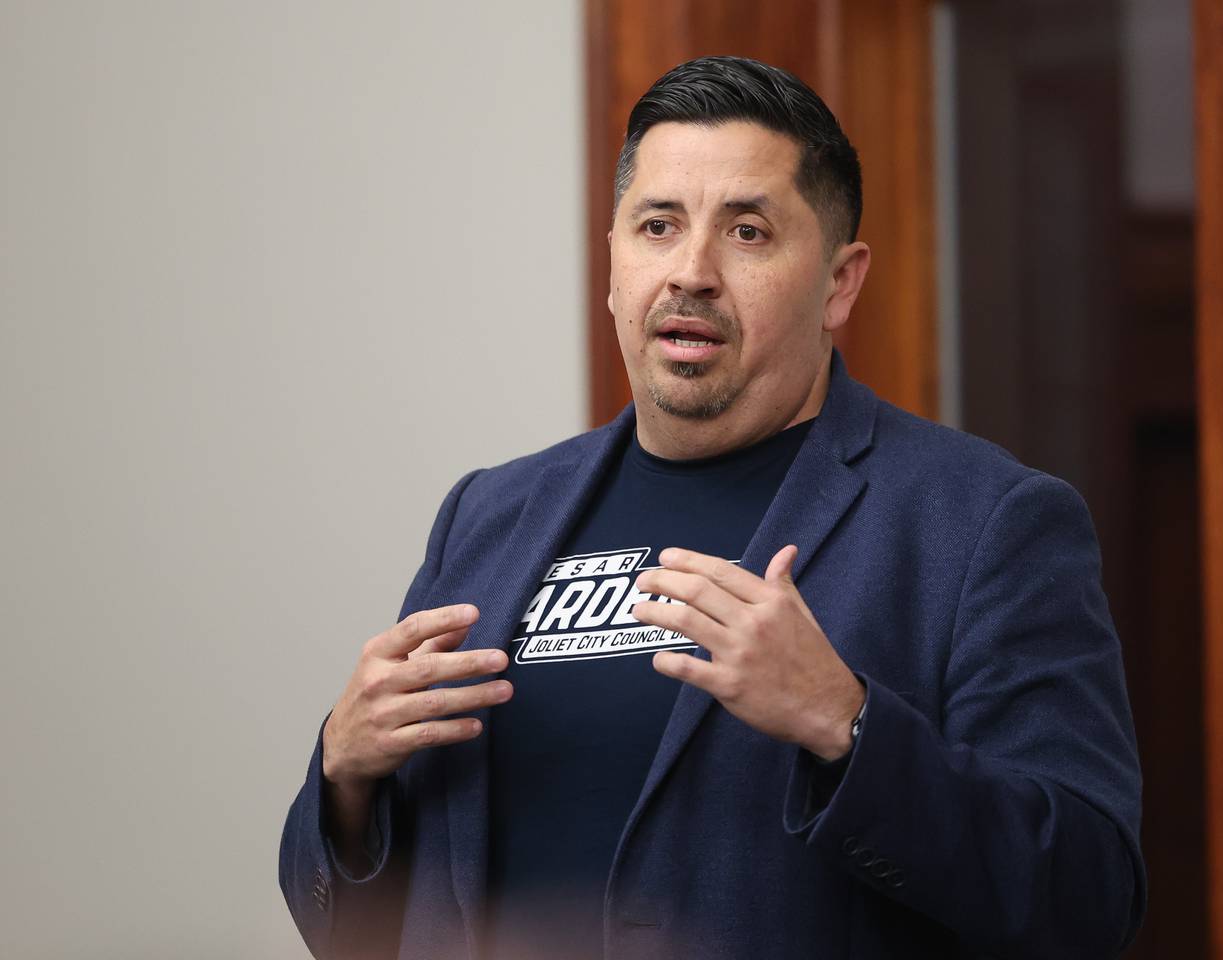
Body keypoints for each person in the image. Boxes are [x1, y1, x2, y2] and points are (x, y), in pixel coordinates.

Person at [280, 55, 1145, 960]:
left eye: (748, 233)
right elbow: (360, 929)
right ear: (614, 267)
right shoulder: (489, 514)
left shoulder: (986, 523)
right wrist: (345, 774)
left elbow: (1087, 898)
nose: (690, 271)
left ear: (839, 284)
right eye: (657, 226)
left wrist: (846, 724)